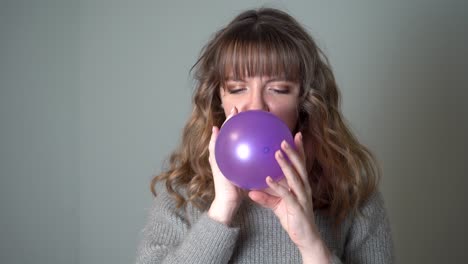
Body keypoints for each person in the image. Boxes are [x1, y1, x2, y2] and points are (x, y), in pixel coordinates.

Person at [136, 7, 394, 264]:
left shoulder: (351, 194)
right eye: (237, 88)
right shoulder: (183, 192)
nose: (256, 105)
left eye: (279, 89)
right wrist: (221, 210)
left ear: (304, 101)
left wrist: (311, 243)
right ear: (219, 100)